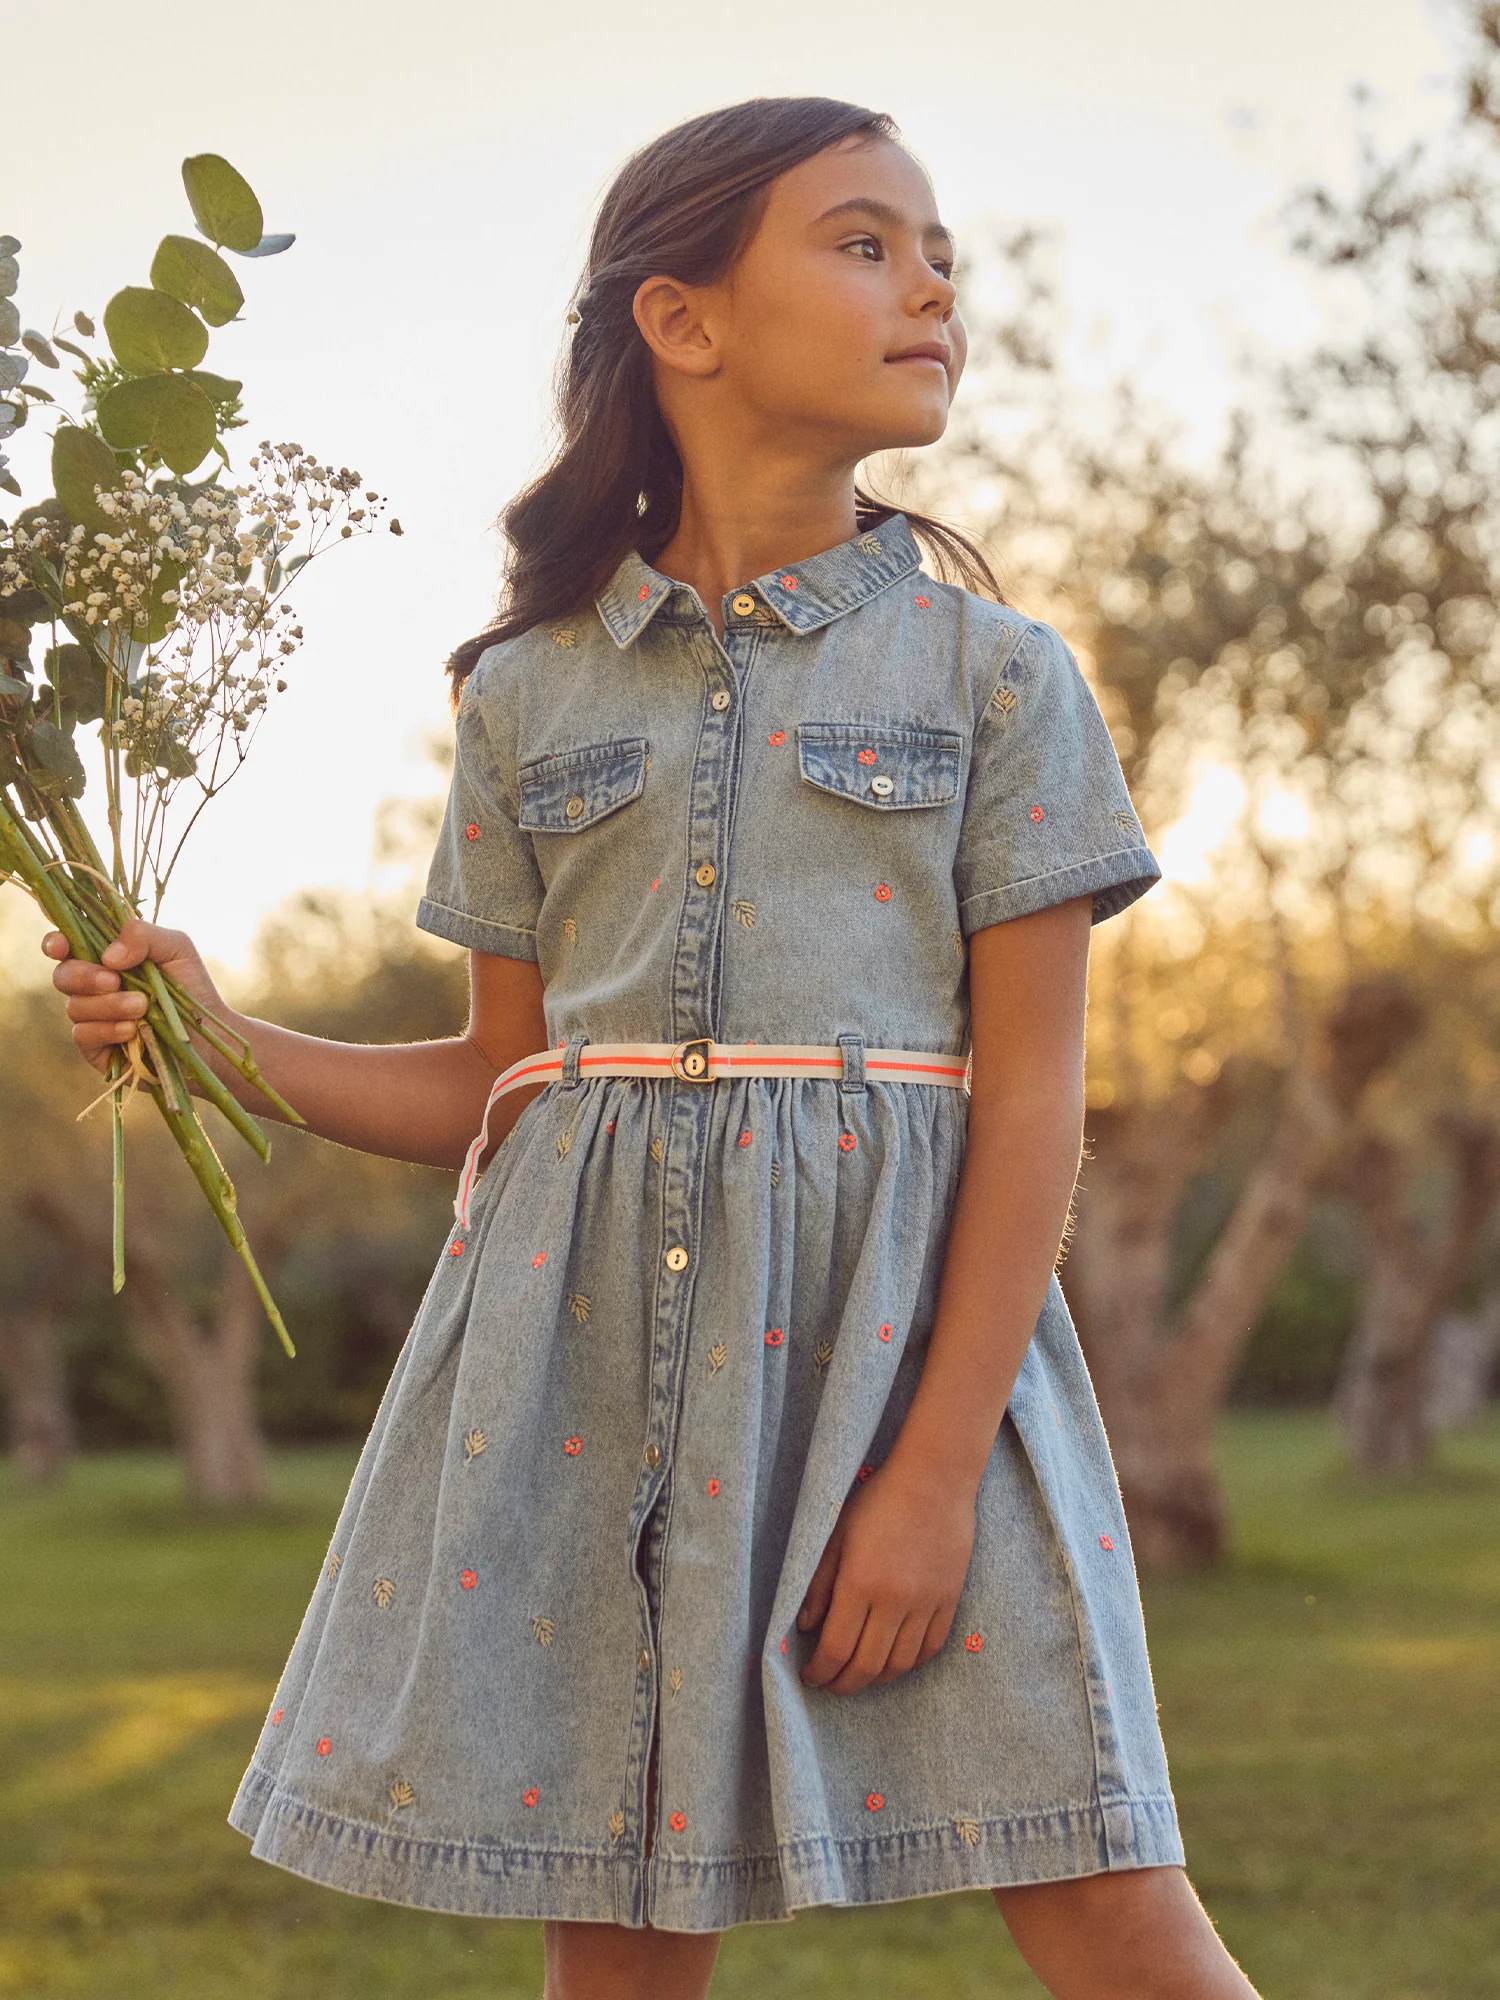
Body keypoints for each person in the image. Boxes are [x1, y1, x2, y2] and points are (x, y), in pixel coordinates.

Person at [44, 96, 1261, 2000]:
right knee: (619, 1923)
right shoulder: (523, 694)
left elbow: (1032, 1106)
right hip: (592, 1369)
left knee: (1103, 1882)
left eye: (940, 253)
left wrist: (933, 1473)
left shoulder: (995, 676)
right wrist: (212, 1034)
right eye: (864, 242)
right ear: (681, 320)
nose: (932, 285)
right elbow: (498, 1082)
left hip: (913, 1368)